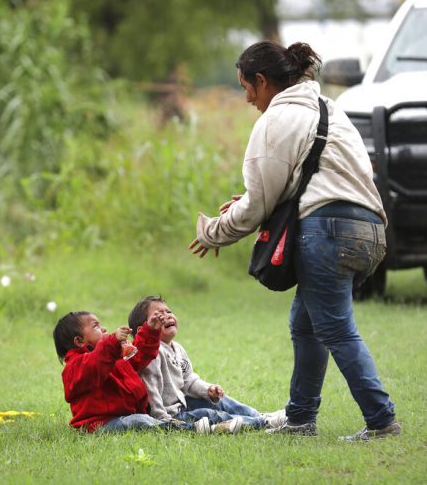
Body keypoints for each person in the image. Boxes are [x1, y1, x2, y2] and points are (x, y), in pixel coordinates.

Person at [189, 41, 399, 441]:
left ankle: (381, 419)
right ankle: (300, 419)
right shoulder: (329, 108)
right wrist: (260, 204)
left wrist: (213, 230)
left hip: (328, 232)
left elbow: (256, 205)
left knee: (336, 329)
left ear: (263, 81)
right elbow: (308, 182)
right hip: (370, 230)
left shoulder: (276, 119)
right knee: (306, 324)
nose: (248, 98)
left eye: (247, 87)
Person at [129, 296, 286, 434]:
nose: (167, 316)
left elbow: (188, 380)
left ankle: (259, 415)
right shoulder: (151, 354)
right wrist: (163, 419)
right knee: (210, 415)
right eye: (159, 315)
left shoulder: (177, 348)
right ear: (144, 328)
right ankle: (261, 423)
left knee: (220, 401)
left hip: (183, 404)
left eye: (168, 311)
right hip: (171, 415)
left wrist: (207, 390)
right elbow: (151, 388)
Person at [53, 310, 202, 433]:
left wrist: (150, 331)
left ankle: (214, 421)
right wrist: (111, 343)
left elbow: (139, 357)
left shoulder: (111, 355)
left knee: (142, 420)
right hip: (99, 425)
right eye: (96, 326)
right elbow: (95, 364)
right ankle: (191, 430)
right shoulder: (76, 366)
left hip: (127, 416)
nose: (104, 329)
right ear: (79, 341)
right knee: (140, 422)